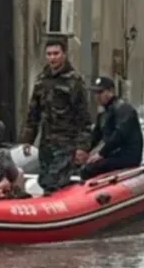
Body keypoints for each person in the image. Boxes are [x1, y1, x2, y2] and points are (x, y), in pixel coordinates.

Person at [19, 37, 93, 194]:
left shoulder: (74, 81)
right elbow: (34, 112)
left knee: (55, 181)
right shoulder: (41, 80)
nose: (52, 58)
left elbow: (84, 118)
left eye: (56, 53)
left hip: (66, 143)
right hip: (46, 142)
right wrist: (27, 139)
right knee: (45, 180)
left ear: (64, 55)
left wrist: (82, 147)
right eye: (49, 54)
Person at [81, 75, 144, 178]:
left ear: (110, 91)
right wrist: (84, 151)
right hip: (112, 154)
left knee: (90, 168)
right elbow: (95, 136)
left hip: (127, 156)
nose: (97, 96)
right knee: (77, 166)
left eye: (100, 92)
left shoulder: (124, 109)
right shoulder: (103, 114)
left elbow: (119, 135)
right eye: (95, 93)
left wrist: (101, 154)